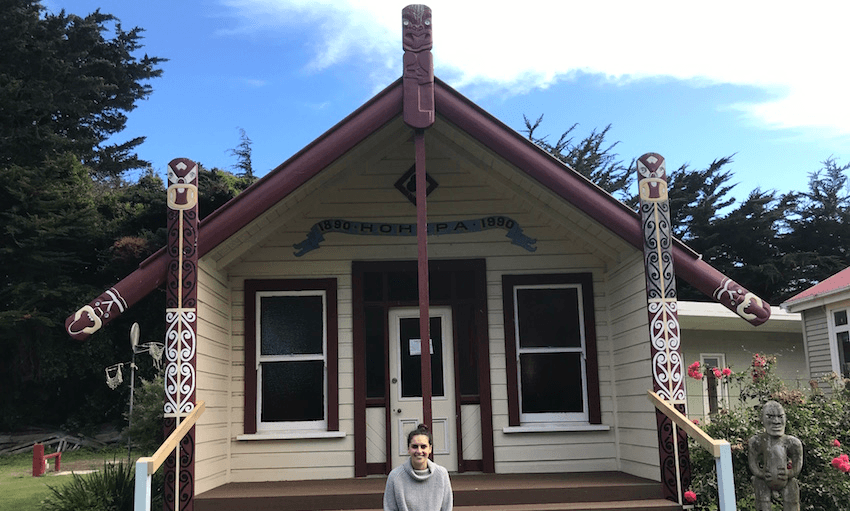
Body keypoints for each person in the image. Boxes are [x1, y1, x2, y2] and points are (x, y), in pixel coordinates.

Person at [748, 400, 803, 511]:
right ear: (762, 419)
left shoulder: (793, 443)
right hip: (764, 480)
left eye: (780, 416)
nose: (776, 421)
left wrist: (790, 473)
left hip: (787, 480)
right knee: (761, 496)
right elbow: (752, 462)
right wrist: (761, 474)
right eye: (770, 417)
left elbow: (798, 461)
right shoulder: (757, 441)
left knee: (792, 492)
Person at [383, 424, 453, 511]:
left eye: (423, 446)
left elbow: (447, 508)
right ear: (408, 449)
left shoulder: (442, 474)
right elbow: (390, 508)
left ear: (430, 449)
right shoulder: (395, 476)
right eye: (414, 446)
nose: (419, 451)